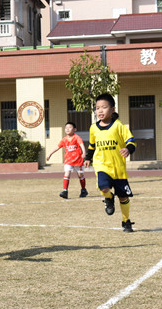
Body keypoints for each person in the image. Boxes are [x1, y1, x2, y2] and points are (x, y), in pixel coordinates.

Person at [84, 93, 137, 233]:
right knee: (103, 187)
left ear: (112, 109)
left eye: (104, 107)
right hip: (101, 165)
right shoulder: (93, 128)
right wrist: (88, 158)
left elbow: (131, 141)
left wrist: (128, 149)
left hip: (118, 168)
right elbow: (92, 145)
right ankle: (108, 198)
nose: (100, 110)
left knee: (123, 197)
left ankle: (126, 221)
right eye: (97, 108)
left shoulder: (118, 126)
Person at [46, 121, 88, 199]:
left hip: (78, 160)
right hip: (68, 160)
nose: (67, 129)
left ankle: (83, 190)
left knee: (80, 175)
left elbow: (82, 145)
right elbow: (57, 147)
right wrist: (50, 154)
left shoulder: (76, 137)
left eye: (70, 127)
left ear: (74, 129)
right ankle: (65, 191)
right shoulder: (64, 139)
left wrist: (84, 152)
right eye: (66, 128)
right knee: (67, 174)